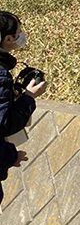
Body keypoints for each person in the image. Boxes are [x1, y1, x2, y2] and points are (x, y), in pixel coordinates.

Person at [0, 11, 47, 204]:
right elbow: (4, 124)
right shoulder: (1, 76)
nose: (22, 36)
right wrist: (28, 97)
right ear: (8, 39)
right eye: (18, 33)